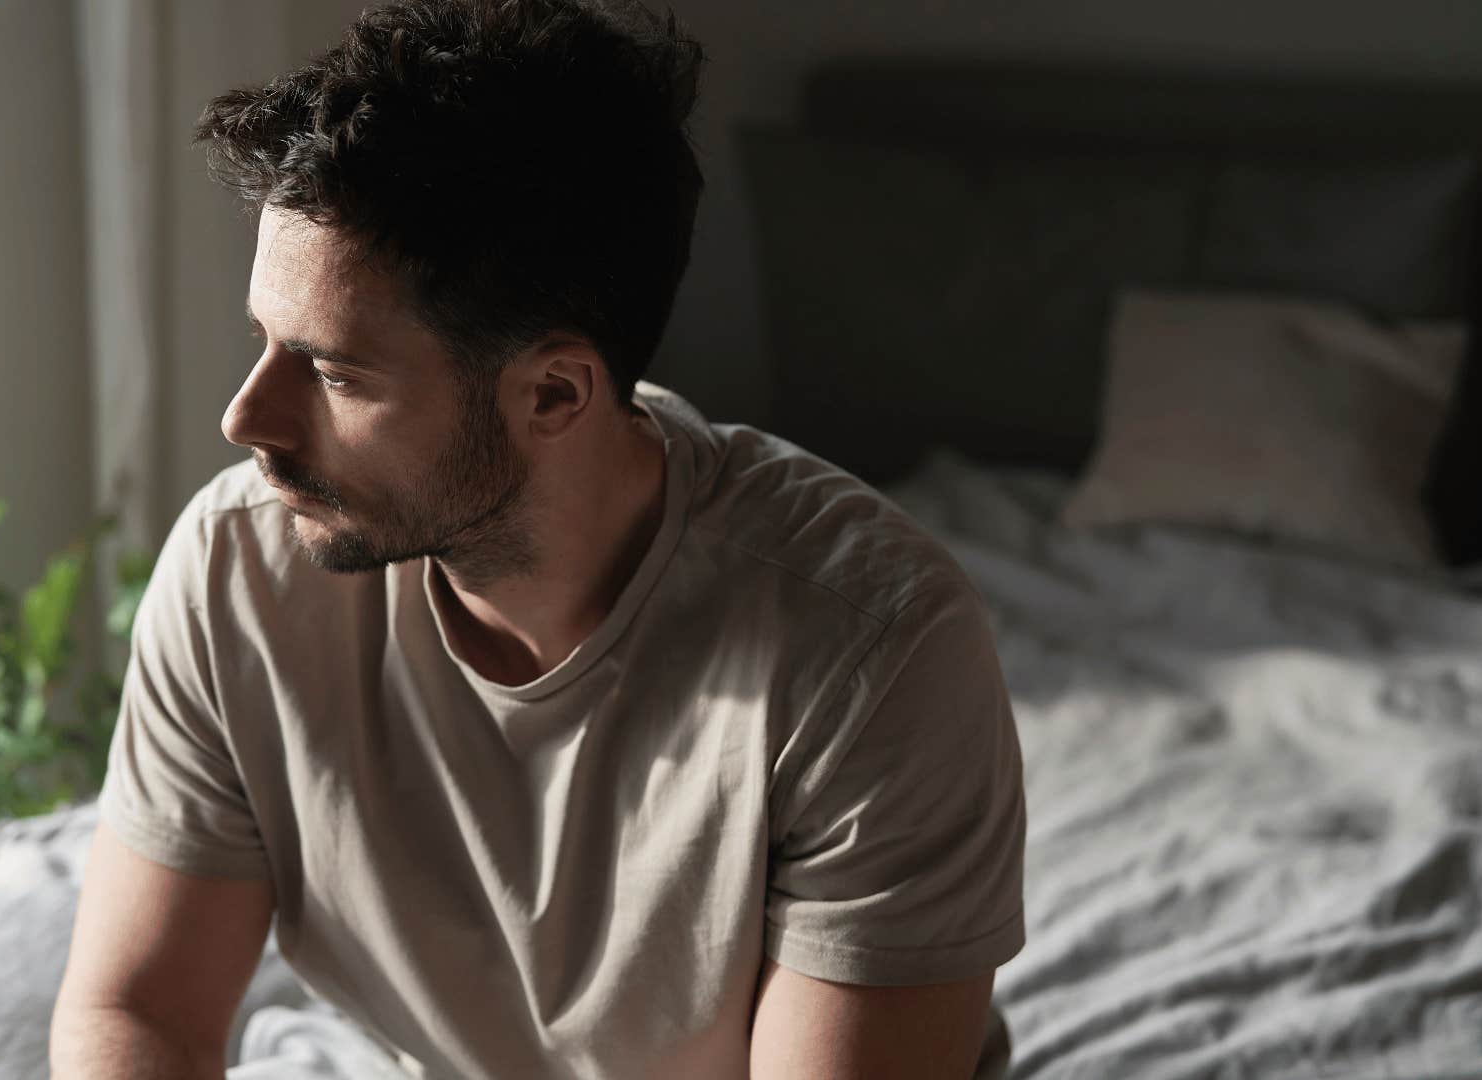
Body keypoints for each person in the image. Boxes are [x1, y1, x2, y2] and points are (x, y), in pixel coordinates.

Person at [49, 1, 1026, 1076]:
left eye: (332, 373)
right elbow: (139, 1011)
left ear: (555, 394)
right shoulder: (240, 568)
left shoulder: (870, 651)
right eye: (264, 343)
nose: (247, 421)